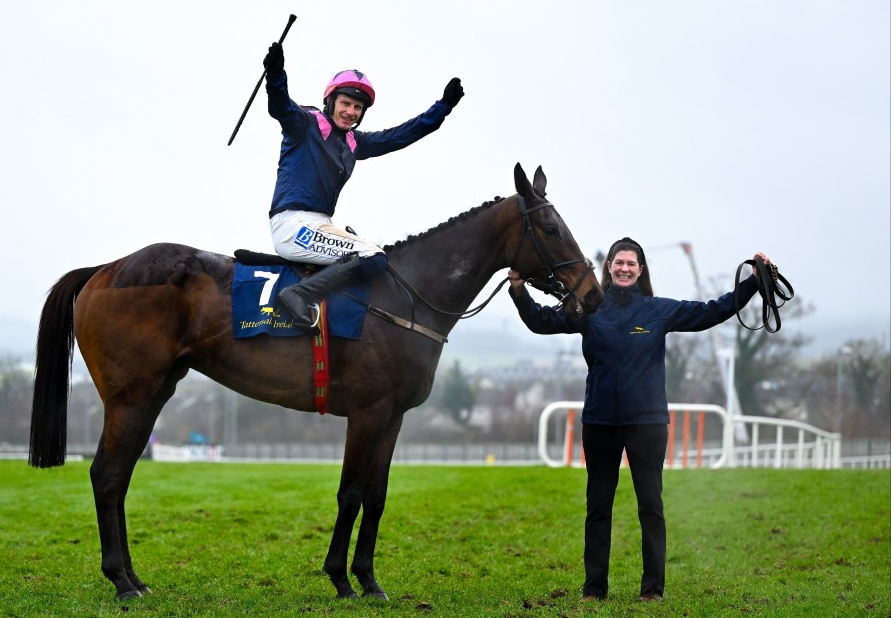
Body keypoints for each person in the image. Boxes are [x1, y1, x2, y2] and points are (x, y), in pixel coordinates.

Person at [507, 237, 770, 602]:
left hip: (646, 422)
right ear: (609, 268)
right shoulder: (587, 308)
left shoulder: (658, 310)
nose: (625, 268)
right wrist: (519, 290)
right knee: (598, 506)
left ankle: (652, 590)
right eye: (619, 263)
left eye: (631, 263)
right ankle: (594, 589)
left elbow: (712, 311)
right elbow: (541, 321)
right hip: (599, 421)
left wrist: (755, 281)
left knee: (651, 505)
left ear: (641, 269)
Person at [261, 41, 465, 330]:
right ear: (331, 102)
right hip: (292, 225)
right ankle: (296, 295)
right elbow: (280, 105)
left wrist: (442, 108)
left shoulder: (355, 142)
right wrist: (276, 73)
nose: (350, 112)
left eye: (357, 107)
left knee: (372, 255)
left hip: (321, 224)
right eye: (345, 104)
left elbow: (400, 135)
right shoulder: (305, 124)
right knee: (372, 256)